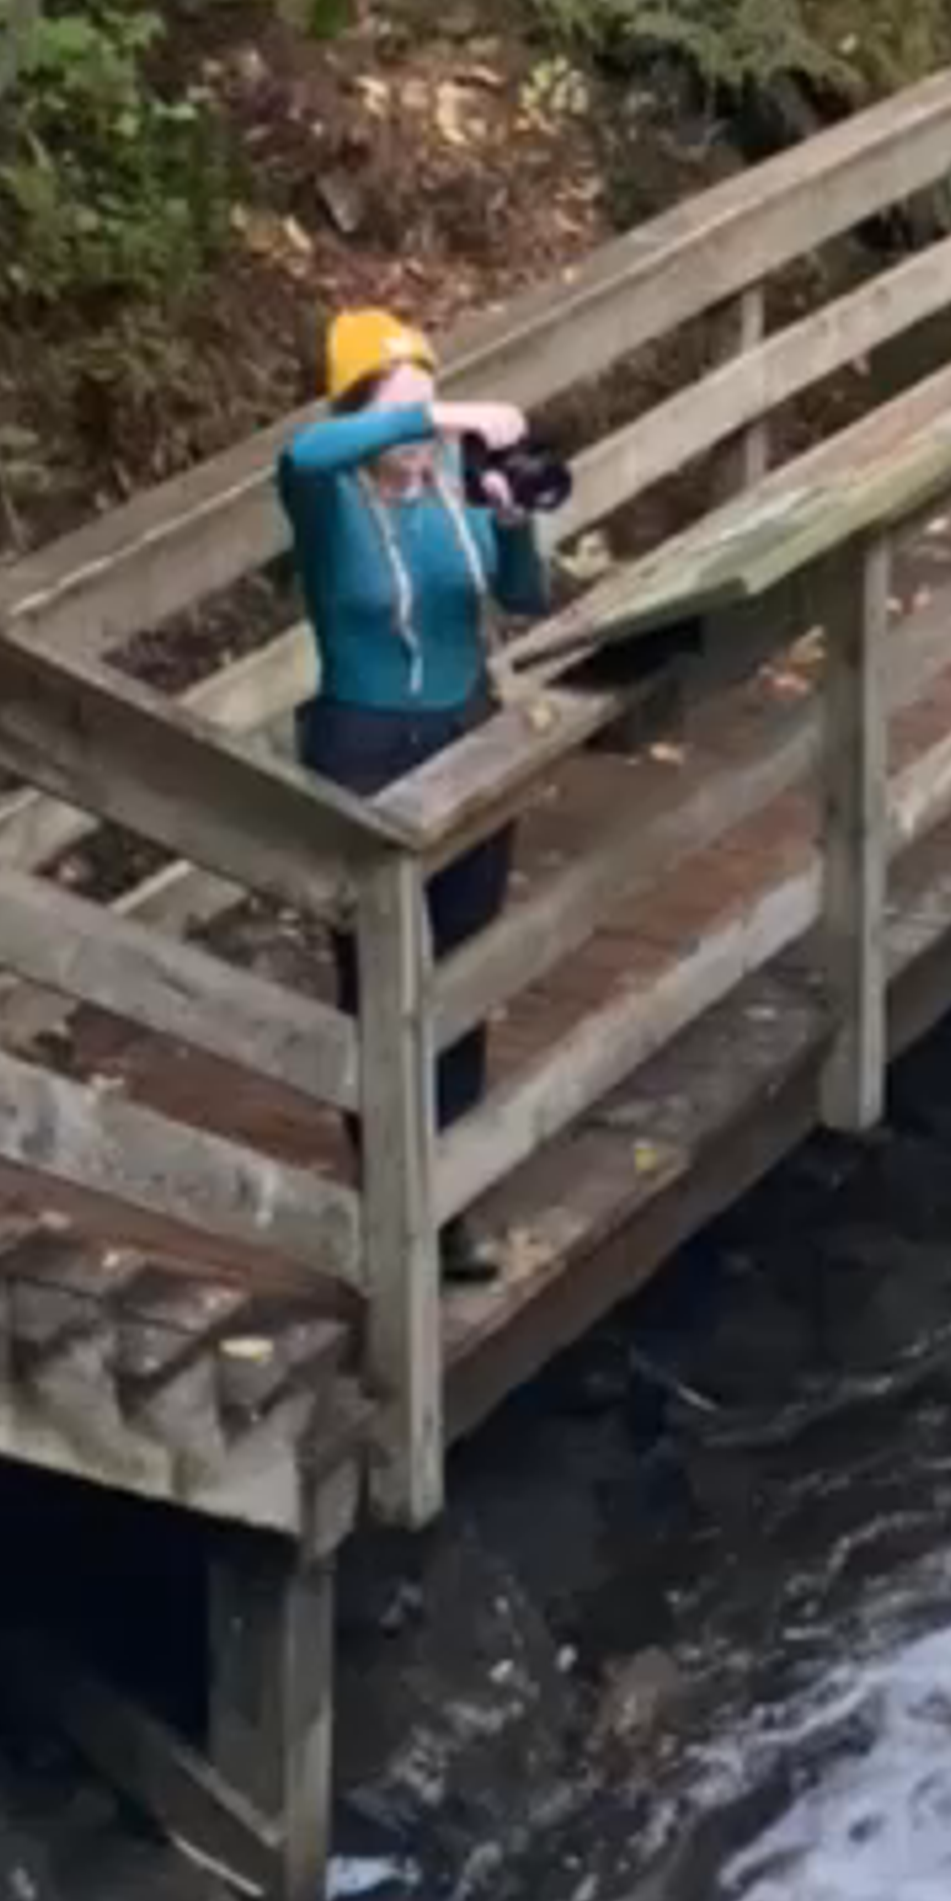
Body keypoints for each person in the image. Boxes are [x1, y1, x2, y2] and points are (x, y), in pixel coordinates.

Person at [276, 308, 568, 1289]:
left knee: (462, 969)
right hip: (363, 748)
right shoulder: (330, 497)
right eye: (399, 407)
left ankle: (448, 1195)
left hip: (466, 729)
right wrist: (446, 413)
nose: (419, 430)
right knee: (380, 975)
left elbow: (525, 596)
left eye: (427, 400)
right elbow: (310, 446)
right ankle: (384, 1184)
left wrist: (517, 516)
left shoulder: (452, 495)